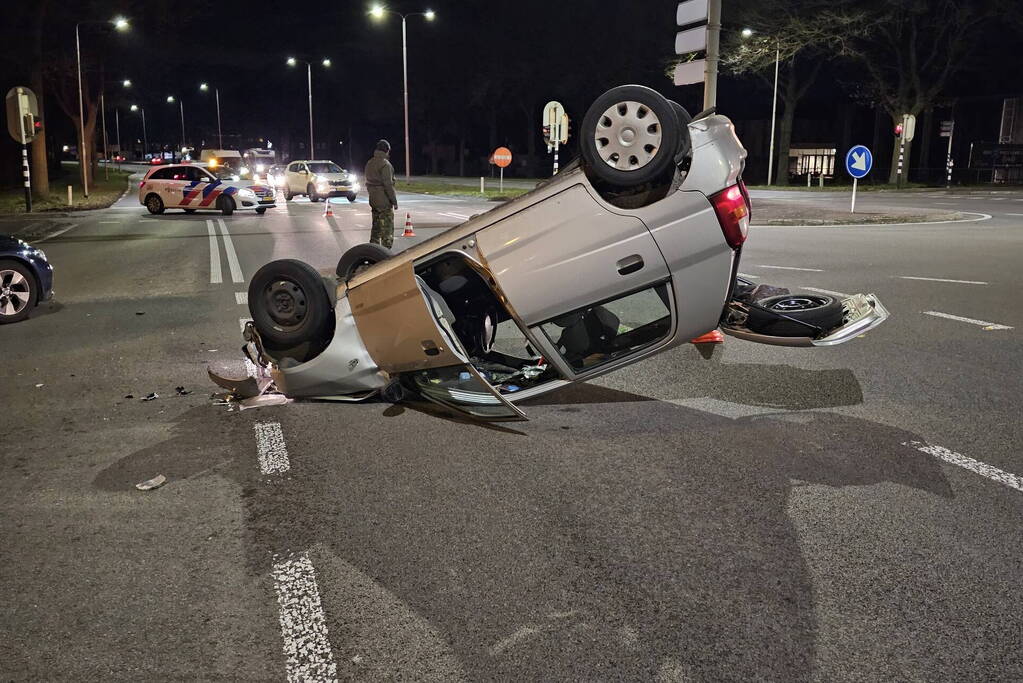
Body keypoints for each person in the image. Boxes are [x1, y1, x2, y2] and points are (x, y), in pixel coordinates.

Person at [365, 139, 398, 248]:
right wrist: (394, 201)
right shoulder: (385, 164)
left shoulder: (370, 162)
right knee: (387, 230)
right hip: (384, 201)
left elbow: (368, 182)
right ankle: (385, 254)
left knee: (376, 228)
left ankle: (373, 252)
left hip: (373, 199)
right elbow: (388, 184)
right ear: (387, 150)